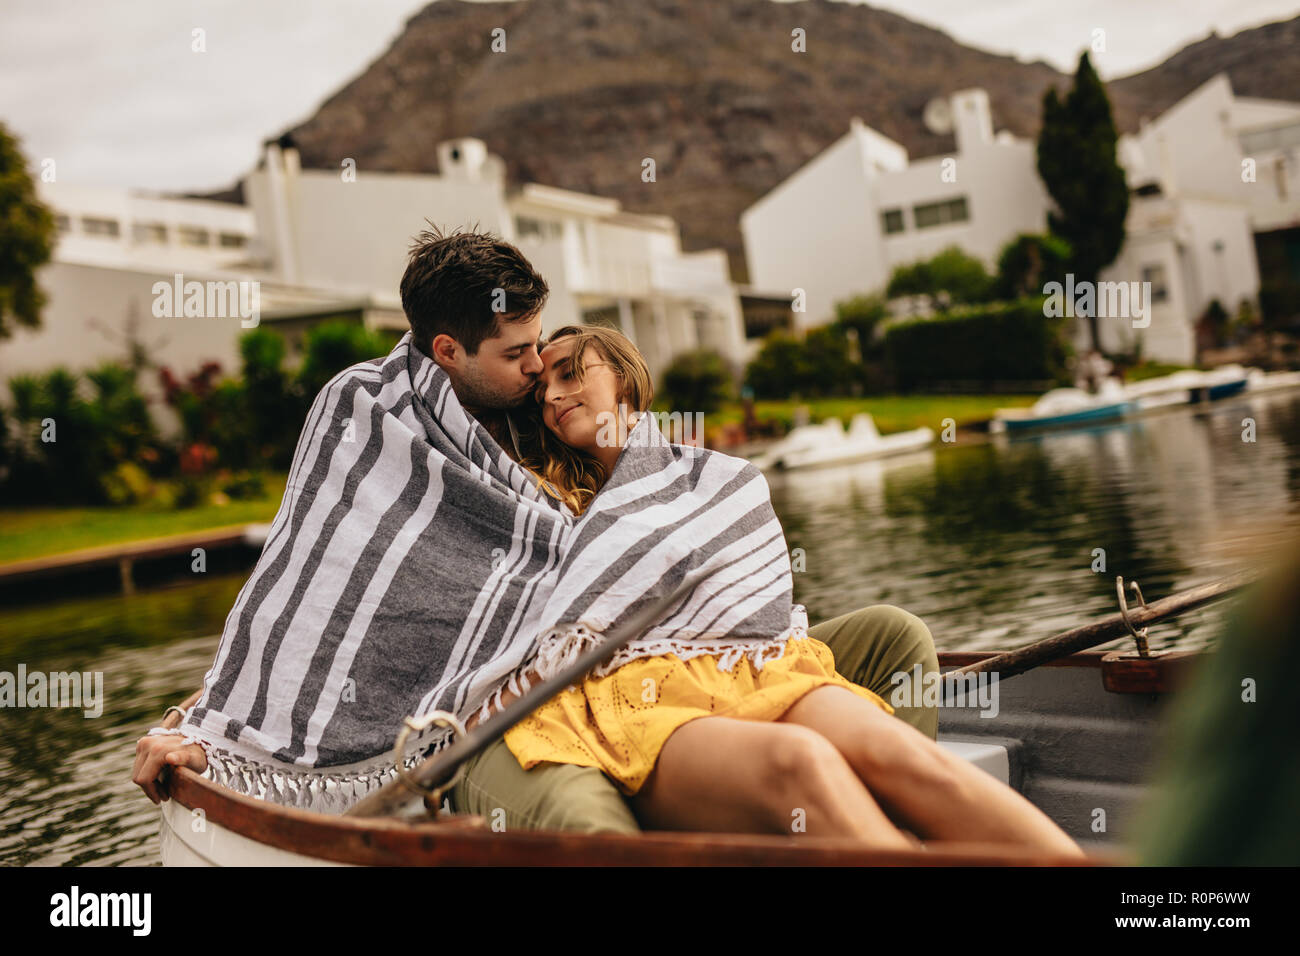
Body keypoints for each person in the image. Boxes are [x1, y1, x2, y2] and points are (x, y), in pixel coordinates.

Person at [132, 225, 940, 837]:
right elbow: (319, 601)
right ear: (447, 350)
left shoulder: (547, 405)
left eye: (542, 346)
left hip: (663, 667)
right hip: (507, 717)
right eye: (518, 352)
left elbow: (658, 491)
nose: (537, 366)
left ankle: (858, 831)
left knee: (894, 640)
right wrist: (209, 728)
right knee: (587, 829)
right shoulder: (369, 423)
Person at [453, 323, 1082, 853]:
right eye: (541, 392)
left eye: (570, 373)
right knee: (801, 763)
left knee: (904, 755)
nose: (553, 396)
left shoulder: (714, 475)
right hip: (635, 688)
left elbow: (744, 591)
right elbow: (550, 619)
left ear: (622, 375)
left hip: (751, 663)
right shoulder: (547, 500)